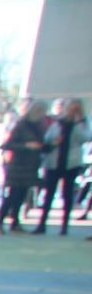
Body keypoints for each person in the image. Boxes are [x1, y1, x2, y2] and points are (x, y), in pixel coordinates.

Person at [0, 101, 49, 233]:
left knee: (22, 195)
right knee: (13, 194)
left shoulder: (40, 126)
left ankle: (15, 222)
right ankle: (0, 220)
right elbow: (8, 145)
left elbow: (42, 145)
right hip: (18, 165)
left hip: (31, 166)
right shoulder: (21, 125)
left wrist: (50, 145)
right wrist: (26, 146)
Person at [39, 99, 87, 235]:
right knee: (49, 194)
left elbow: (85, 138)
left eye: (75, 109)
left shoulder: (82, 123)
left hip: (71, 163)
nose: (71, 111)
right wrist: (55, 141)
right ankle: (42, 224)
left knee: (67, 194)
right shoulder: (58, 122)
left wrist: (78, 121)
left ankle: (64, 226)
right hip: (54, 162)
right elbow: (48, 138)